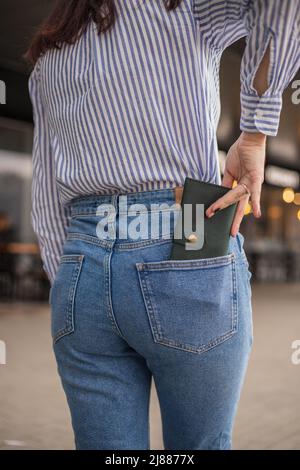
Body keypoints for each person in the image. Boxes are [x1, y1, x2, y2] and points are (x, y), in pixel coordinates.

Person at [25, 0, 300, 450]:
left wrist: (76, 279)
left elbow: (45, 200)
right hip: (185, 226)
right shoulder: (180, 7)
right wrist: (254, 131)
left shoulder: (49, 57)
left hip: (82, 258)